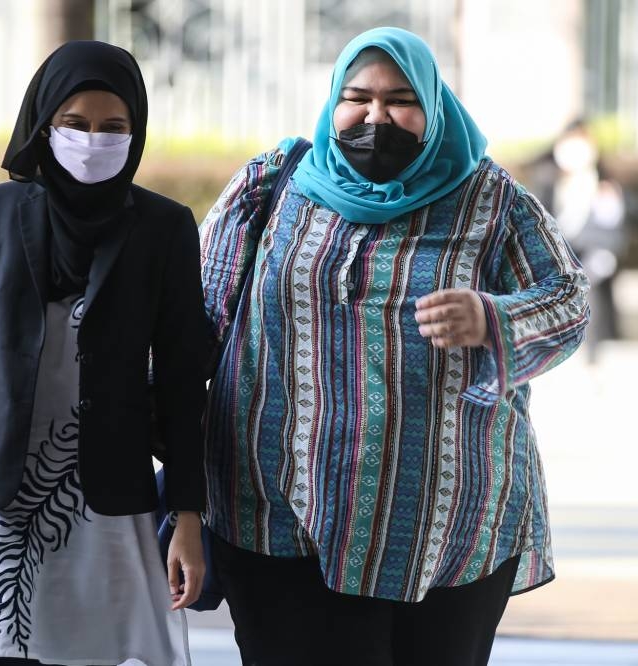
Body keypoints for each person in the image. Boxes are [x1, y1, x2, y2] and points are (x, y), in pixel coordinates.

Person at [199, 27, 590, 666]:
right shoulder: (274, 186)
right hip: (276, 518)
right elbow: (197, 324)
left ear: (433, 108)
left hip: (448, 531)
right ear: (332, 101)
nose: (376, 117)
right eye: (358, 98)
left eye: (400, 100)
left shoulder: (490, 201)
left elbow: (570, 302)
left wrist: (491, 318)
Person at [0, 41, 208, 666]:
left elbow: (182, 383)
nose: (94, 140)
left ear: (137, 132)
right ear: (44, 124)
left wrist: (189, 520)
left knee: (102, 649)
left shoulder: (164, 228)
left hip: (109, 500)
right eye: (75, 124)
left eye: (114, 128)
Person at [530, 119, 627, 364]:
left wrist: (605, 253)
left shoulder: (604, 186)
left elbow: (610, 227)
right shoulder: (547, 180)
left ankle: (592, 356)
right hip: (555, 255)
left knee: (590, 298)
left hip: (591, 257)